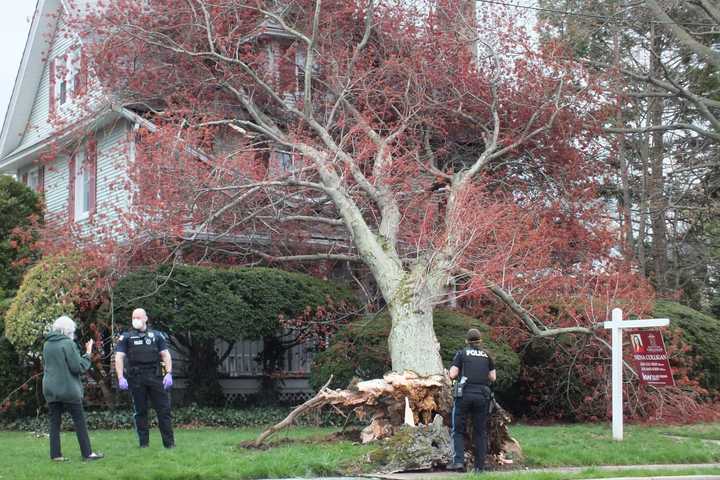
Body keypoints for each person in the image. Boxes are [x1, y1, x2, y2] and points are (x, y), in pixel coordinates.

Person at [42, 316, 104, 461]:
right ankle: (87, 453)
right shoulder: (67, 343)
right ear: (67, 330)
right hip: (68, 388)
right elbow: (78, 367)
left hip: (50, 388)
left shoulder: (47, 344)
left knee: (54, 422)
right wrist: (88, 353)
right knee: (79, 421)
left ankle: (56, 455)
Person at [115, 308, 175, 448]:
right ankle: (144, 444)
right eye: (133, 317)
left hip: (155, 376)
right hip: (136, 378)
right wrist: (120, 377)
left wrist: (169, 373)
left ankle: (169, 444)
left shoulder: (156, 336)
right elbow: (119, 357)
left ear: (145, 318)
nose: (135, 319)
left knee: (163, 410)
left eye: (138, 317)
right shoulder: (126, 337)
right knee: (140, 411)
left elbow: (165, 354)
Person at [446, 328, 496, 473]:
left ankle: (459, 462)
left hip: (464, 395)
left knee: (458, 429)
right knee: (480, 432)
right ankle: (479, 467)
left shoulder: (462, 354)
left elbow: (453, 374)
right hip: (482, 396)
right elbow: (493, 377)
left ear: (466, 341)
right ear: (480, 341)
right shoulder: (487, 355)